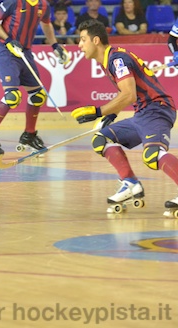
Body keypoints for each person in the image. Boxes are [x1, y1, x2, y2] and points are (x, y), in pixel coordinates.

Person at [71, 19, 178, 217]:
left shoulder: (116, 60)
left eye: (83, 40)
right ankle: (130, 183)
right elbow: (128, 93)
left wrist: (98, 111)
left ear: (96, 40)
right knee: (101, 139)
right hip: (142, 113)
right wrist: (111, 114)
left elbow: (128, 95)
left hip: (157, 109)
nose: (79, 45)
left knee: (152, 155)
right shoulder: (110, 60)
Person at [0, 0, 68, 158]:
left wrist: (54, 45)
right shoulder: (14, 1)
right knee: (12, 96)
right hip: (6, 51)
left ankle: (29, 135)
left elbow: (47, 24)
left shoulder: (43, 5)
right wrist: (9, 39)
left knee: (38, 96)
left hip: (25, 53)